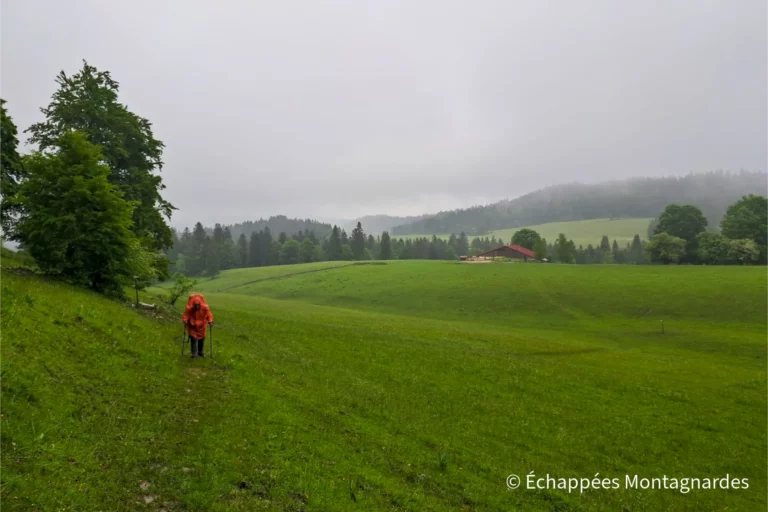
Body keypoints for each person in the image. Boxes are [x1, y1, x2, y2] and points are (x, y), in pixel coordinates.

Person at [182, 294, 214, 358]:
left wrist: (210, 321)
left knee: (201, 339)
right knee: (193, 339)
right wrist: (185, 320)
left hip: (202, 326)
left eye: (198, 305)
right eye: (195, 305)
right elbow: (186, 315)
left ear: (200, 304)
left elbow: (209, 315)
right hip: (192, 325)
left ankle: (200, 352)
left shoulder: (205, 307)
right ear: (193, 304)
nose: (196, 307)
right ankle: (194, 353)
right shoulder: (189, 308)